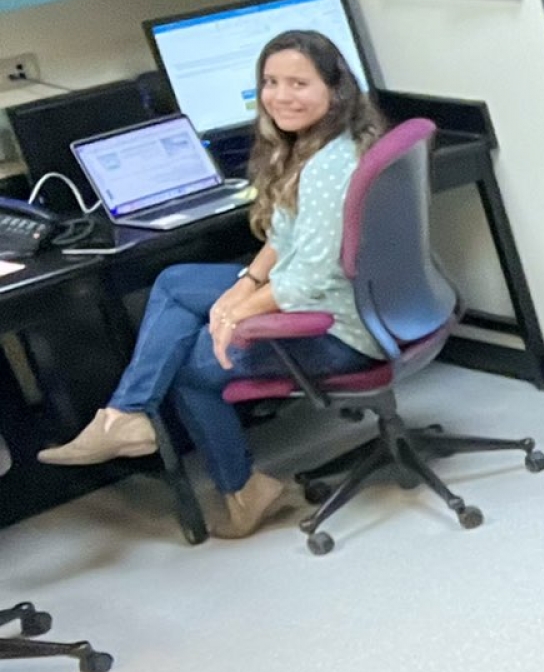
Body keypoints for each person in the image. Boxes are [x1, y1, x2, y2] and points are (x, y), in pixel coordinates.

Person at [41, 30, 386, 539]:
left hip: (341, 327)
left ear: (335, 90)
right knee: (176, 282)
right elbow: (286, 236)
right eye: (270, 82)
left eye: (298, 82)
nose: (280, 95)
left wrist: (236, 313)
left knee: (187, 366)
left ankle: (243, 489)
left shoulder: (328, 166)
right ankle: (126, 414)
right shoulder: (322, 143)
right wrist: (244, 284)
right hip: (362, 301)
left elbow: (312, 278)